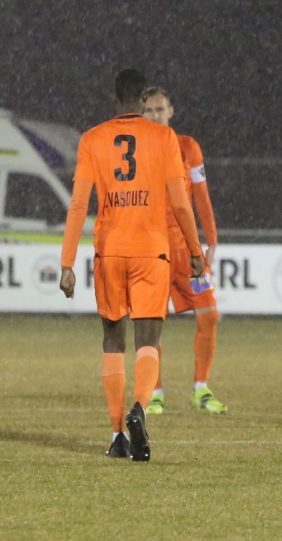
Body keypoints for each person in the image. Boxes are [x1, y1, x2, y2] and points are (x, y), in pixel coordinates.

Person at [59, 69, 205, 462]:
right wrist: (195, 250)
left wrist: (67, 262)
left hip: (110, 250)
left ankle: (117, 435)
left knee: (112, 341)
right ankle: (140, 408)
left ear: (113, 97)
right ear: (143, 99)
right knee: (148, 341)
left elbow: (78, 203)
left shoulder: (92, 139)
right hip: (151, 250)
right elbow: (180, 203)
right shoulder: (164, 138)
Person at [139, 87, 226, 415]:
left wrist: (211, 239)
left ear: (171, 111)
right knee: (149, 324)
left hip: (186, 251)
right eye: (149, 110)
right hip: (151, 251)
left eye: (160, 109)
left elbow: (200, 194)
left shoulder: (188, 147)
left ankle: (201, 388)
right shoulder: (135, 151)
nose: (155, 115)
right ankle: (155, 392)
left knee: (210, 315)